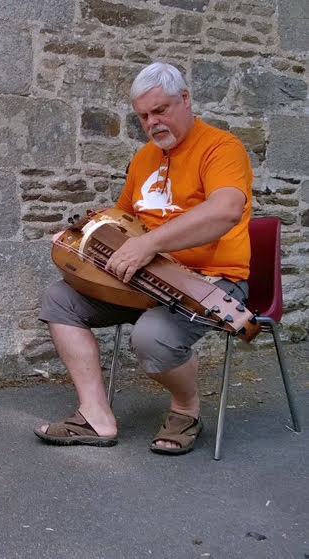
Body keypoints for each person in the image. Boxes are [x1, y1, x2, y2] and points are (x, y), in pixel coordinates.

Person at [34, 62, 253, 455]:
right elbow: (119, 222)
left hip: (213, 280)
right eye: (143, 116)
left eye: (160, 110)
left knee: (151, 336)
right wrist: (77, 237)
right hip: (140, 278)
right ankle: (95, 415)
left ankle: (186, 408)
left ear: (185, 99)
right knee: (59, 299)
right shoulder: (143, 158)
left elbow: (225, 211)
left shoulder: (222, 148)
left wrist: (148, 245)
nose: (152, 123)